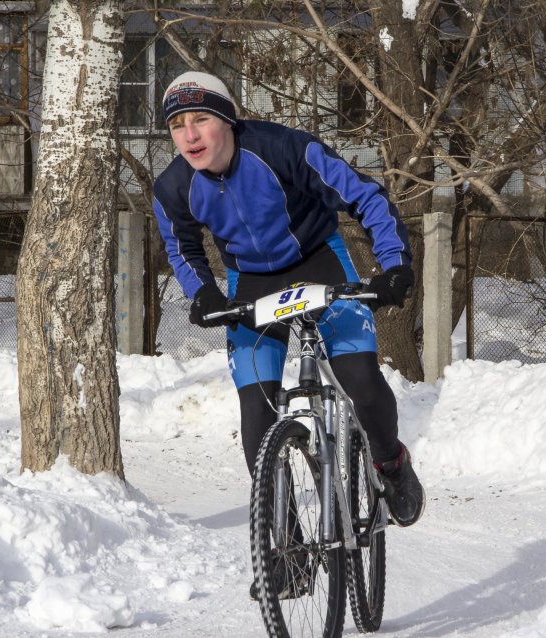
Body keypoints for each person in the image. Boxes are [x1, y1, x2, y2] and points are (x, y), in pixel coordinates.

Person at [151, 72, 424, 536]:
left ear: (229, 120)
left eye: (201, 120)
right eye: (178, 125)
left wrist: (394, 265)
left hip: (320, 262)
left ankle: (390, 462)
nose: (190, 136)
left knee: (361, 378)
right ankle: (285, 536)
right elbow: (182, 249)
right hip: (250, 283)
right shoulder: (173, 187)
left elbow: (365, 196)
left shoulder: (285, 149)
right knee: (256, 412)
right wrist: (204, 294)